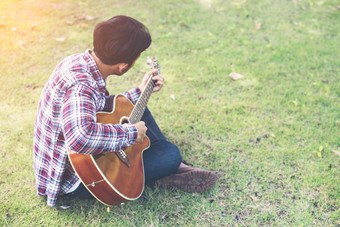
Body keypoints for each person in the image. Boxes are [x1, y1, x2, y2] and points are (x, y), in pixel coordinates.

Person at [33, 15, 217, 207]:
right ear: (122, 66)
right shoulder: (81, 86)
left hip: (80, 156)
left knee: (135, 106)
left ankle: (165, 170)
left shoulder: (79, 62)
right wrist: (131, 133)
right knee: (170, 155)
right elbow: (80, 138)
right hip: (78, 174)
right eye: (136, 57)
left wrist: (141, 91)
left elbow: (100, 108)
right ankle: (173, 168)